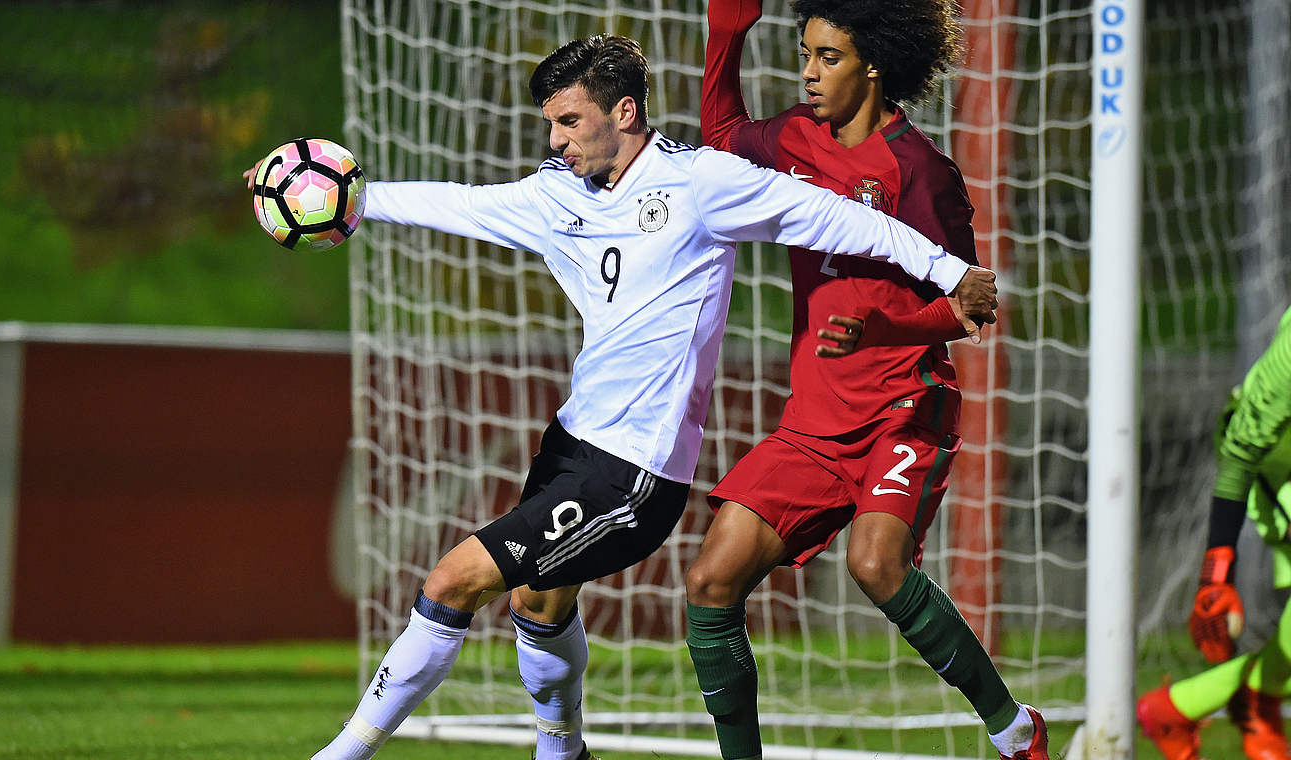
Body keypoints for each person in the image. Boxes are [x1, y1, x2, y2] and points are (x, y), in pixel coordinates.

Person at [248, 34, 997, 760]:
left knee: (452, 582)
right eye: (551, 123)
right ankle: (564, 752)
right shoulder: (557, 193)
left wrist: (947, 271)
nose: (556, 139)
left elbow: (841, 217)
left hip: (634, 474)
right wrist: (353, 198)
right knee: (536, 605)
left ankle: (341, 753)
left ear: (626, 112)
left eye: (570, 120)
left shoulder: (702, 184)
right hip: (575, 442)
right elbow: (463, 205)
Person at [684, 2, 1049, 759]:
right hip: (814, 422)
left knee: (876, 563)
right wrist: (728, 31)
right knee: (711, 581)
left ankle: (1016, 732)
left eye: (829, 57)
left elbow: (973, 304)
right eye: (805, 54)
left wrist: (886, 329)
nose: (809, 74)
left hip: (905, 407)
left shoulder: (920, 172)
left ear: (874, 64)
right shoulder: (793, 137)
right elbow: (721, 142)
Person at [1137, 304, 1291, 760]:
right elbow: (1240, 456)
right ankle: (1244, 702)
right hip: (1277, 468)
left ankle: (1182, 708)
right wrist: (1217, 573)